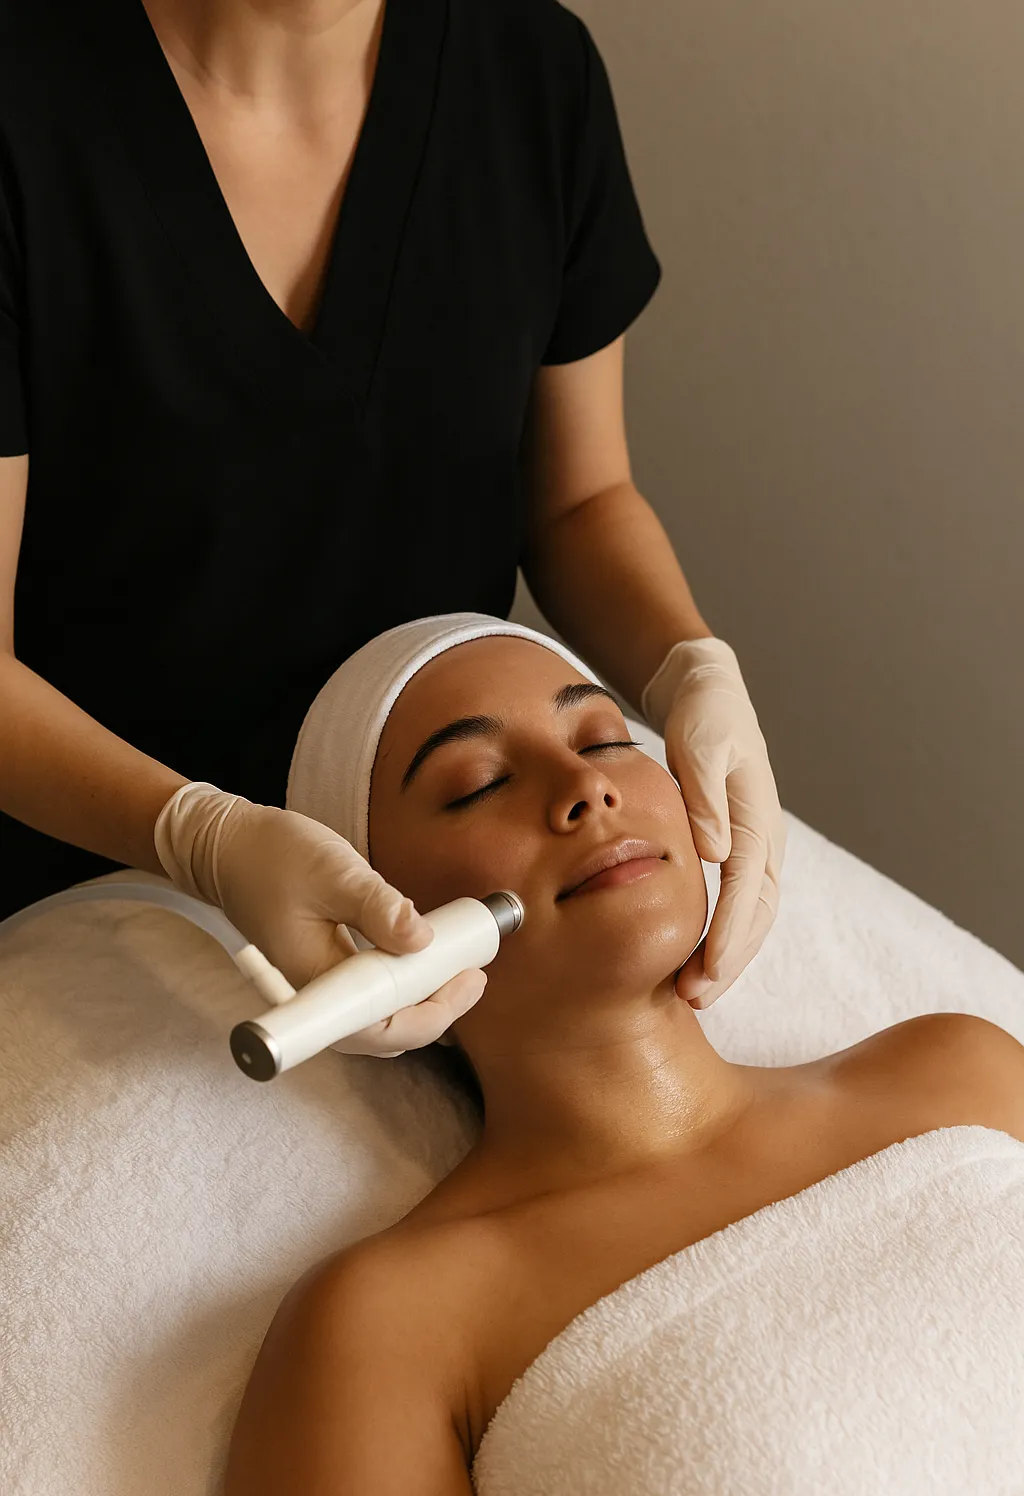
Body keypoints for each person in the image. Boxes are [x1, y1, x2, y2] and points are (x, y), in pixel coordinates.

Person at [0, 0, 786, 1053]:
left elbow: (579, 502)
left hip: (437, 878)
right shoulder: (24, 105)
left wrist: (689, 666)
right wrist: (197, 837)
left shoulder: (531, 74)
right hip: (82, 894)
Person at [222, 613, 1024, 1496]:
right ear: (367, 935)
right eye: (477, 785)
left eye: (606, 739)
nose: (586, 787)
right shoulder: (388, 1329)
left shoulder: (956, 1075)